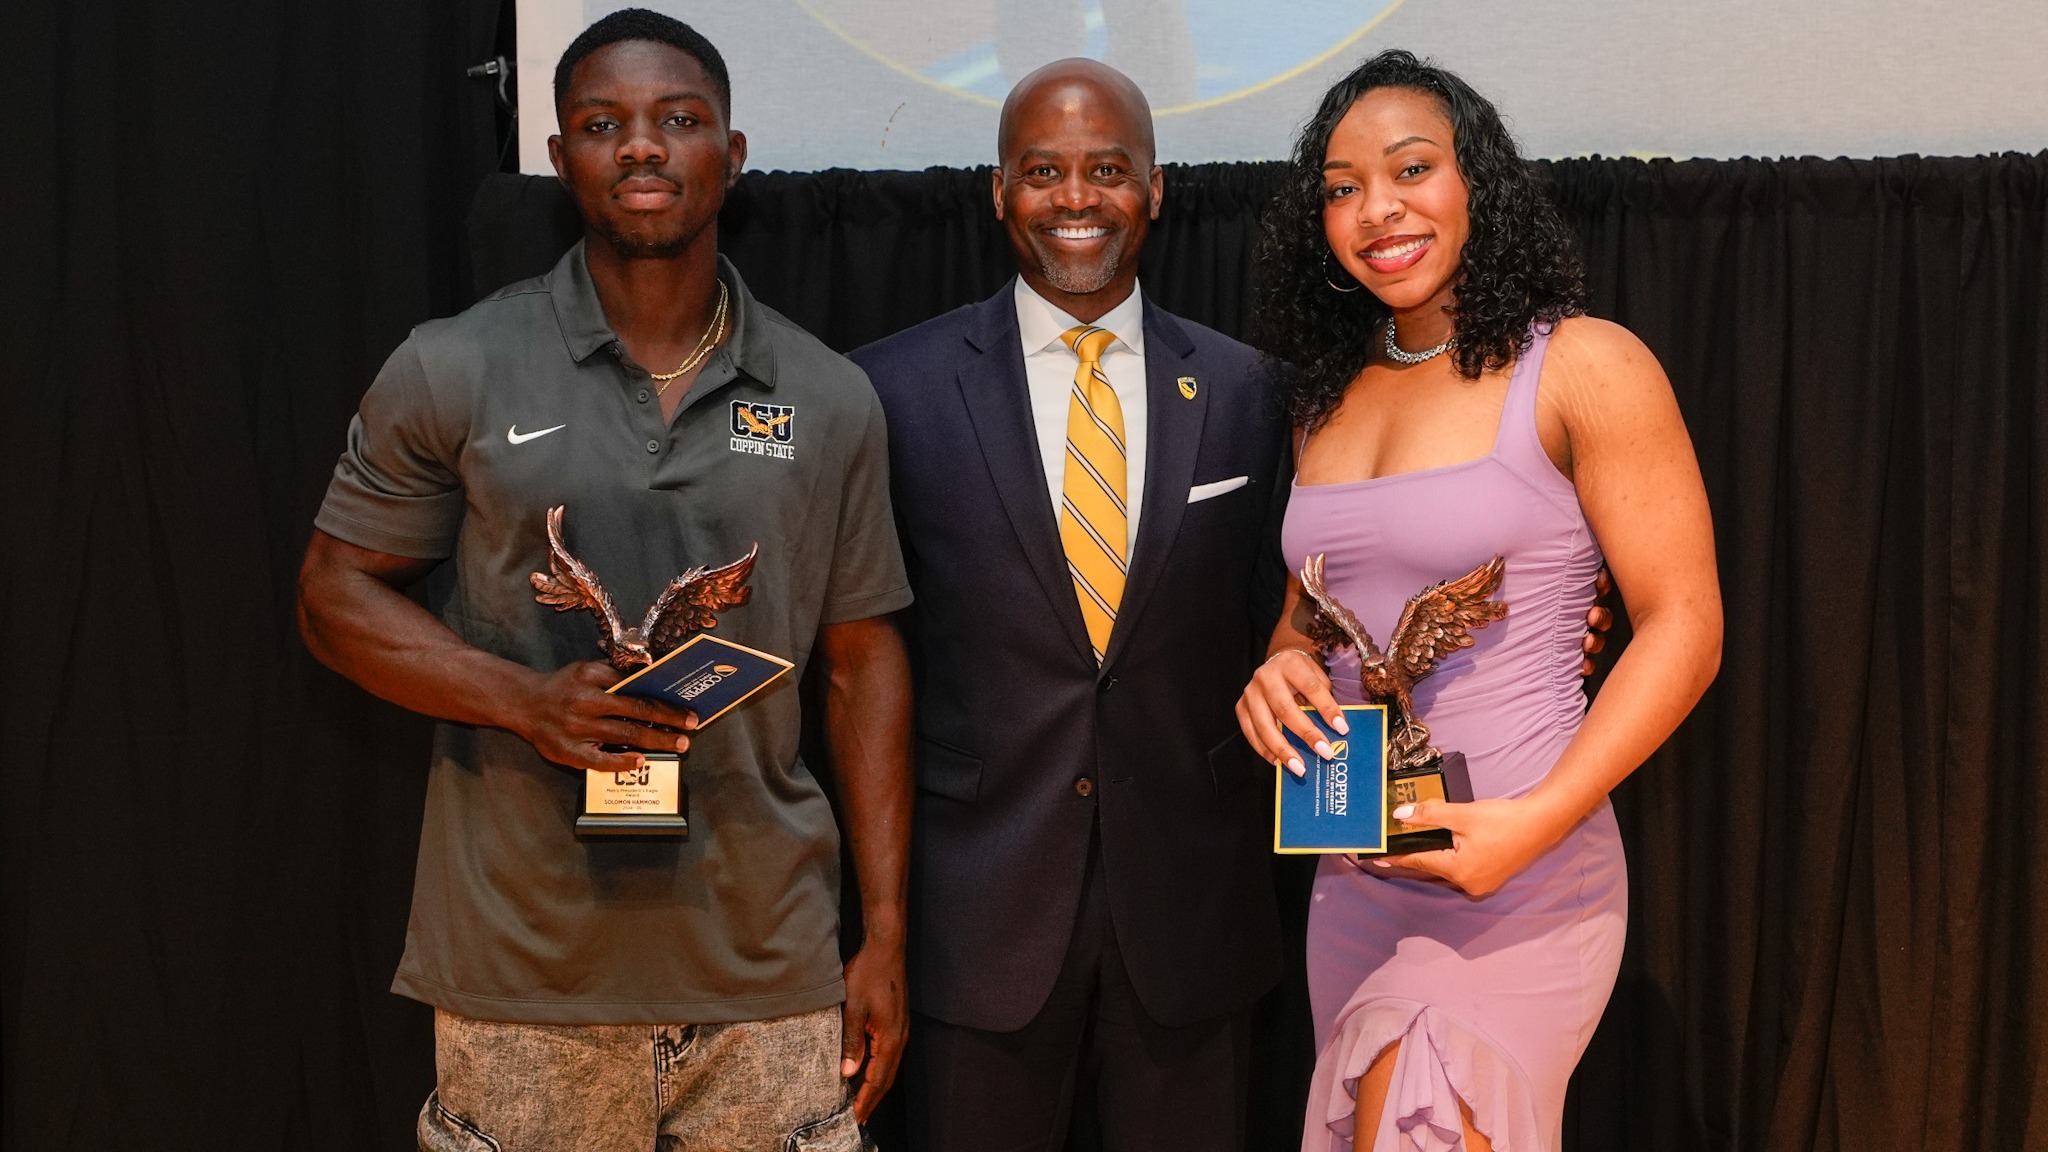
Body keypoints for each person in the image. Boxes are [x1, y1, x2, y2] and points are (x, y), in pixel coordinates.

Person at [295, 11, 911, 1151]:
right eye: (601, 124)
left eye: (678, 121)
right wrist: (522, 700)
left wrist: (883, 938)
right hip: (521, 971)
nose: (641, 147)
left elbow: (863, 663)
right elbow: (332, 596)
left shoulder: (827, 398)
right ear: (557, 157)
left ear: (730, 156)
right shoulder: (457, 363)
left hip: (766, 973)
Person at [1234, 50, 1722, 1152]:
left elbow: (1685, 628)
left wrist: (1531, 825)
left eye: (1411, 169)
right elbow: (1313, 613)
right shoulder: (1326, 398)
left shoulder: (1583, 365)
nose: (1377, 209)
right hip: (1355, 884)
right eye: (1342, 187)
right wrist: (1280, 669)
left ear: (1478, 184)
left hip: (1527, 871)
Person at [848, 59, 1289, 1152]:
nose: (1076, 198)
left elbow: (1305, 607)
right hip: (975, 923)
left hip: (1189, 920)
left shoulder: (1247, 391)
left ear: (1156, 188)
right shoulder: (888, 391)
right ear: (998, 192)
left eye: (1106, 169)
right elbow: (860, 652)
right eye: (1043, 171)